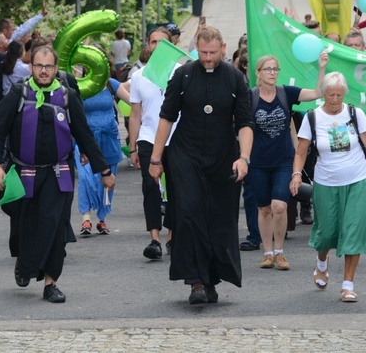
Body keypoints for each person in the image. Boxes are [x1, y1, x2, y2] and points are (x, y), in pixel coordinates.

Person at [0, 46, 115, 304]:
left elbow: (84, 135)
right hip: (23, 173)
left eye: (48, 67)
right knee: (25, 226)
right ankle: (24, 261)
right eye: (38, 66)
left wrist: (105, 169)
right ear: (31, 67)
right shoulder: (18, 94)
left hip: (59, 173)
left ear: (57, 69)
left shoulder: (66, 96)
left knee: (55, 227)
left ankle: (51, 283)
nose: (43, 71)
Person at [149, 26, 254, 305]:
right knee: (189, 213)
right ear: (197, 47)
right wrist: (156, 159)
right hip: (186, 154)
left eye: (213, 53)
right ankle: (195, 281)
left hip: (223, 157)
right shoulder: (182, 76)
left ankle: (212, 279)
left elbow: (245, 123)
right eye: (203, 53)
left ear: (223, 47)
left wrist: (244, 157)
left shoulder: (235, 78)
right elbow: (166, 118)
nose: (208, 58)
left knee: (219, 218)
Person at [291, 72, 366, 303]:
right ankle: (322, 262)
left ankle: (348, 284)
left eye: (339, 95)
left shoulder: (355, 114)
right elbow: (301, 152)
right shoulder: (312, 118)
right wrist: (296, 175)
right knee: (327, 233)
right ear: (323, 94)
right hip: (326, 183)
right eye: (330, 95)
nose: (335, 99)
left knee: (355, 231)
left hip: (358, 180)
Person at [249, 53, 327, 271]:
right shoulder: (250, 97)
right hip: (257, 162)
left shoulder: (286, 93)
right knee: (264, 208)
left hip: (284, 160)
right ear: (258, 73)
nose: (273, 73)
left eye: (275, 69)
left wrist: (321, 68)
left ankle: (280, 252)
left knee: (280, 206)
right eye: (268, 69)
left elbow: (317, 93)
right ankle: (267, 253)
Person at [129, 27, 175, 259]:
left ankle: (172, 236)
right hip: (148, 137)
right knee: (150, 185)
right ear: (148, 45)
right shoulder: (138, 76)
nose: (157, 46)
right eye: (153, 42)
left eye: (162, 42)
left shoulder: (182, 73)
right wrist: (133, 146)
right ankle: (154, 239)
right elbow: (135, 114)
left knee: (177, 187)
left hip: (176, 138)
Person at [76, 72, 129, 236]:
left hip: (109, 137)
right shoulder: (80, 85)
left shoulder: (110, 84)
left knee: (108, 177)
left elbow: (133, 101)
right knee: (85, 177)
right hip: (86, 139)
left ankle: (102, 218)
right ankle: (86, 217)